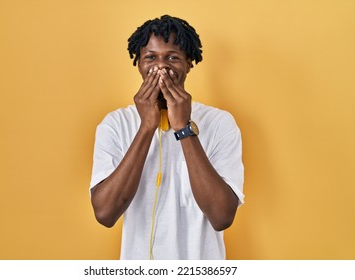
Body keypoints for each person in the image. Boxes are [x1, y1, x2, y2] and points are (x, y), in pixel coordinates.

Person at [89, 15, 244, 260]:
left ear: (189, 64)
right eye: (150, 57)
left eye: (172, 57)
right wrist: (146, 127)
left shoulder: (220, 123)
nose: (161, 67)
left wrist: (183, 128)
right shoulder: (115, 124)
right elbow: (105, 213)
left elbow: (222, 216)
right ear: (138, 64)